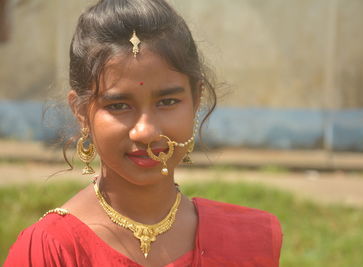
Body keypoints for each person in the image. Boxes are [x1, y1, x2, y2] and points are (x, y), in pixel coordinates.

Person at [4, 0, 282, 266]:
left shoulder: (249, 242)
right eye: (119, 105)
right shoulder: (51, 251)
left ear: (196, 99)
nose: (146, 132)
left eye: (167, 102)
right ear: (80, 111)